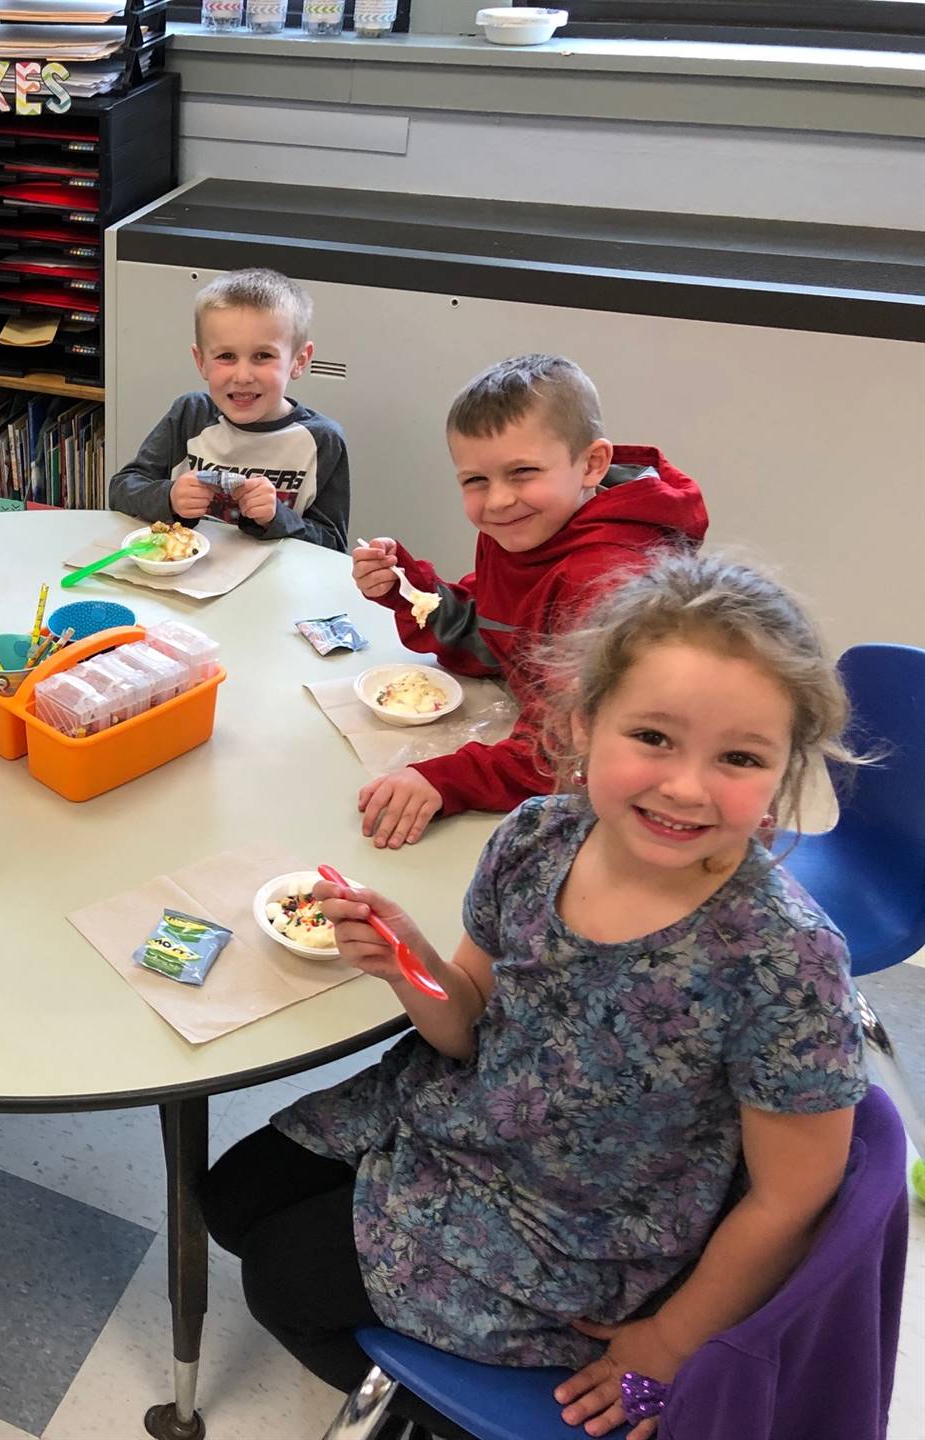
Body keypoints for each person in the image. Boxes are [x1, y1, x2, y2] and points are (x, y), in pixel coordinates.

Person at [204, 550, 866, 1440]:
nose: (683, 786)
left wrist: (669, 1341)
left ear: (786, 774)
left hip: (583, 1223)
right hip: (468, 1109)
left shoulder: (784, 960)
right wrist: (409, 962)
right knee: (234, 1197)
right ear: (586, 725)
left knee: (280, 1277)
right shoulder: (537, 837)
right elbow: (466, 1024)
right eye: (653, 737)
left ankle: (445, 1421)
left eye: (740, 757)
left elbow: (793, 1198)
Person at [352, 353, 707, 848]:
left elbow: (575, 752)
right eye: (476, 480)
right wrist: (410, 591)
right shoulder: (526, 526)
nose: (497, 500)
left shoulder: (606, 581)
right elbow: (495, 633)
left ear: (592, 464)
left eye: (522, 472)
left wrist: (447, 780)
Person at [108, 267, 349, 551]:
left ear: (299, 360)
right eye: (226, 356)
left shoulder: (323, 440)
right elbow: (121, 490)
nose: (243, 376)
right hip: (182, 582)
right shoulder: (190, 414)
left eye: (263, 355)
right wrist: (169, 497)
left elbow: (333, 547)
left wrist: (276, 516)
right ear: (201, 361)